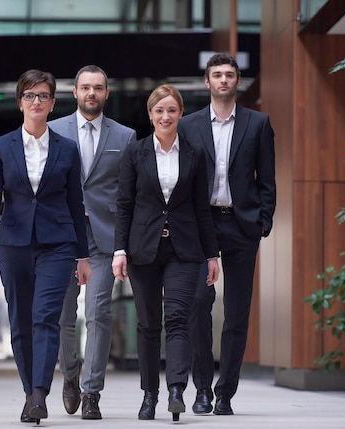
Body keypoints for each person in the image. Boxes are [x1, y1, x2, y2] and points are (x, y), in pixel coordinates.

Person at [0, 69, 91, 424]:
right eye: (30, 96)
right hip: (13, 242)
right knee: (21, 321)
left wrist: (83, 254)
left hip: (58, 243)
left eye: (43, 96)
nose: (37, 102)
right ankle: (30, 391)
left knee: (46, 316)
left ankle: (40, 394)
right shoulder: (1, 146)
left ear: (53, 103)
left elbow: (76, 203)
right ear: (20, 102)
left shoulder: (67, 148)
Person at [112, 84, 220, 422]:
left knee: (177, 319)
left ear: (180, 114)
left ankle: (176, 389)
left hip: (184, 250)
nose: (166, 116)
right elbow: (124, 205)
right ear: (150, 115)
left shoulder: (194, 153)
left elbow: (202, 208)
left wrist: (212, 255)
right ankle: (149, 394)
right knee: (147, 325)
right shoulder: (136, 153)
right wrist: (119, 250)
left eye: (172, 110)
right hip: (143, 249)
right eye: (159, 110)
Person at [178, 53, 276, 416]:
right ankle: (202, 388)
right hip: (200, 226)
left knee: (236, 312)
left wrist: (263, 220)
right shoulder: (188, 126)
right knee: (199, 307)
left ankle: (225, 394)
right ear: (207, 81)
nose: (223, 80)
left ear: (238, 81)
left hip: (241, 225)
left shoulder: (258, 123)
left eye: (229, 75)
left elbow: (267, 179)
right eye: (216, 75)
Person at [48, 65, 136, 420]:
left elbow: (129, 194)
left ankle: (91, 392)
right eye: (86, 87)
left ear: (106, 93)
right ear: (75, 92)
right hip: (64, 237)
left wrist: (124, 244)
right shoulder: (53, 130)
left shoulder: (125, 136)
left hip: (104, 236)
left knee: (99, 312)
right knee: (62, 316)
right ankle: (71, 374)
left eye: (98, 88)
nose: (92, 94)